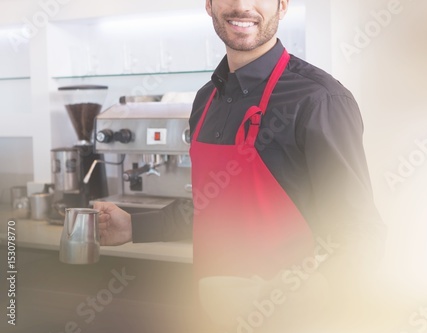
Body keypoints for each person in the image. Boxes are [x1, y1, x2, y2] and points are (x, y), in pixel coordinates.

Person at [94, 0, 385, 329]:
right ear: (209, 5)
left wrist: (306, 308)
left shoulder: (319, 99)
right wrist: (134, 226)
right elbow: (214, 208)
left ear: (283, 5)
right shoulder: (207, 99)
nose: (242, 6)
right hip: (210, 316)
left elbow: (360, 235)